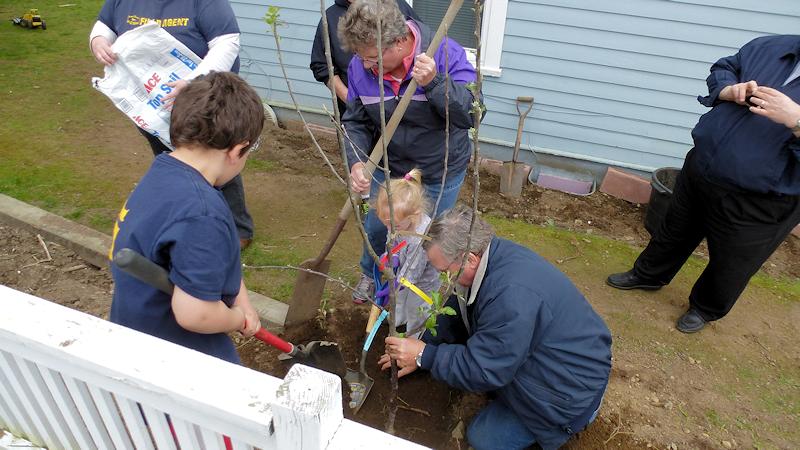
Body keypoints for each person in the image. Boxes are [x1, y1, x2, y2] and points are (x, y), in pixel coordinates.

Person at [606, 35, 800, 333]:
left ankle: (705, 308)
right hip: (703, 166)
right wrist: (727, 89)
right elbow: (725, 67)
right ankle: (649, 275)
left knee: (732, 260)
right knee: (674, 231)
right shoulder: (771, 47)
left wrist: (796, 119)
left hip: (762, 196)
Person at [379, 205, 612, 450]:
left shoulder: (510, 297)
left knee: (482, 437)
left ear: (469, 258)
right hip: (558, 358)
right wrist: (426, 344)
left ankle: (560, 428)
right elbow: (459, 307)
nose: (443, 279)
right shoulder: (493, 257)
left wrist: (424, 355)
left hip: (566, 395)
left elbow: (485, 369)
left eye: (445, 272)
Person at [108, 71, 265, 364]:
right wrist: (235, 318)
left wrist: (244, 304)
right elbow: (197, 314)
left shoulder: (166, 172)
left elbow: (211, 263)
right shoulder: (202, 214)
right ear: (237, 150)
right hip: (172, 358)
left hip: (134, 328)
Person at [338, 0, 479, 303]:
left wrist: (434, 83)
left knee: (430, 240)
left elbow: (473, 113)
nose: (365, 66)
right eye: (362, 58)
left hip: (439, 167)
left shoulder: (446, 54)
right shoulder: (360, 65)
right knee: (377, 229)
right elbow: (355, 120)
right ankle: (372, 275)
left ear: (401, 43)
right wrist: (357, 162)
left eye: (374, 59)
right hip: (390, 166)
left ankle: (418, 295)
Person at [89, 0, 256, 249]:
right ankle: (186, 216)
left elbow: (227, 42)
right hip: (153, 105)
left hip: (204, 101)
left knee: (217, 159)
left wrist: (194, 81)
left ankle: (236, 228)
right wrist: (99, 41)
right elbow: (103, 25)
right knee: (171, 161)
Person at [309, 0, 420, 115]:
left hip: (405, 112)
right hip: (356, 113)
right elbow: (322, 66)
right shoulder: (331, 18)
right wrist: (352, 101)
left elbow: (421, 43)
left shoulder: (393, 6)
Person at [372, 168, 440, 336]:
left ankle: (413, 336)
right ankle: (398, 321)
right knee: (400, 301)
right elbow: (393, 238)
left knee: (417, 310)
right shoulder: (398, 223)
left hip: (422, 285)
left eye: (394, 226)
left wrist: (393, 287)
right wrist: (392, 254)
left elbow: (411, 275)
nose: (390, 229)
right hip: (403, 275)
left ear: (414, 216)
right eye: (387, 225)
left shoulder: (421, 238)